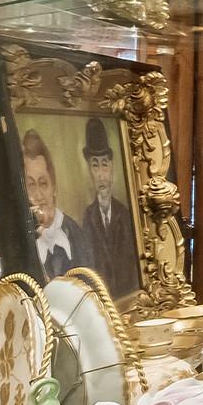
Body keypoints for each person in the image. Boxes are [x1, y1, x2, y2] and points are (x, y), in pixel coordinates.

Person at [80, 118, 139, 296]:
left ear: (112, 168)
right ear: (90, 171)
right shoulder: (88, 218)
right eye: (95, 166)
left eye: (104, 165)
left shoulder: (125, 215)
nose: (101, 175)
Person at [21, 129, 89, 281]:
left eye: (43, 183)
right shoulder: (21, 244)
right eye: (31, 185)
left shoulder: (79, 237)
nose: (38, 195)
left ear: (54, 187)